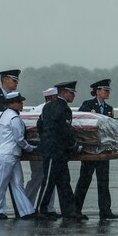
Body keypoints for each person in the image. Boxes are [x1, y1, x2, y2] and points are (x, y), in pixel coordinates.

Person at [35, 81, 85, 220]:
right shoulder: (64, 109)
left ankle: (69, 211)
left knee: (63, 181)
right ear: (63, 93)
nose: (73, 95)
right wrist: (75, 146)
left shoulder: (48, 107)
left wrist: (46, 138)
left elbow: (40, 125)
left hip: (53, 149)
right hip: (55, 150)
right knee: (50, 181)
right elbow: (65, 131)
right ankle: (41, 210)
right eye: (71, 93)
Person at [74, 79, 118, 219]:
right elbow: (81, 124)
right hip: (90, 149)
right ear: (98, 91)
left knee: (103, 180)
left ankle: (105, 210)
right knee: (85, 179)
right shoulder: (87, 105)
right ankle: (76, 209)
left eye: (108, 90)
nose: (108, 93)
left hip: (103, 150)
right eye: (105, 90)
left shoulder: (109, 109)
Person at [0, 92, 37, 219]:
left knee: (17, 182)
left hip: (8, 153)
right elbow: (19, 139)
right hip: (9, 154)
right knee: (2, 183)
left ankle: (26, 211)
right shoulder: (14, 118)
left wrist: (3, 142)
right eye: (19, 102)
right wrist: (30, 148)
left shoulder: (4, 115)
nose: (21, 104)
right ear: (11, 104)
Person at [25, 87, 58, 213]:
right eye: (55, 98)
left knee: (49, 177)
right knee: (38, 176)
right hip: (38, 147)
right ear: (49, 98)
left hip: (47, 147)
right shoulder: (38, 110)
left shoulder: (47, 109)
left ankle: (49, 207)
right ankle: (27, 203)